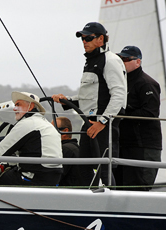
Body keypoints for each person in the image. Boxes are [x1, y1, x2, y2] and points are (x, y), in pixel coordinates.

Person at [52, 22, 127, 186]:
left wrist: (102, 123)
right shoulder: (91, 62)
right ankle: (88, 202)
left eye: (88, 38)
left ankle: (112, 206)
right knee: (84, 168)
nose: (84, 41)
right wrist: (66, 101)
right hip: (89, 124)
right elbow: (89, 96)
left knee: (103, 168)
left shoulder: (111, 60)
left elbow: (119, 95)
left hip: (102, 126)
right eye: (83, 38)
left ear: (101, 39)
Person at [0, 92, 62, 186]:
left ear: (31, 106)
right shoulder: (44, 123)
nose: (15, 109)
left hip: (34, 179)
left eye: (18, 105)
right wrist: (4, 166)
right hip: (52, 179)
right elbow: (35, 153)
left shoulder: (27, 123)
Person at [114, 45, 162, 191]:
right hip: (124, 145)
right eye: (120, 58)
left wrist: (121, 115)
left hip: (143, 146)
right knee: (118, 188)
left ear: (138, 62)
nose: (122, 62)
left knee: (137, 189)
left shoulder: (147, 83)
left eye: (126, 59)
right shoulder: (120, 83)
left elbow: (150, 113)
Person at [52, 117, 84, 187]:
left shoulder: (66, 149)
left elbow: (55, 177)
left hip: (67, 194)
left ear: (65, 131)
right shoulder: (75, 148)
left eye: (52, 130)